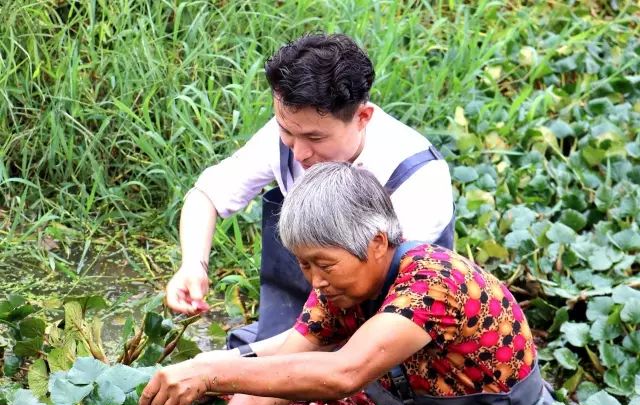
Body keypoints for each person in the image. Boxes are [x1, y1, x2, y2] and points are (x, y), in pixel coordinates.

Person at [140, 163, 565, 405]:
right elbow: (280, 373)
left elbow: (343, 374)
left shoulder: (433, 284)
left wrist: (210, 370)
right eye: (304, 266)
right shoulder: (341, 288)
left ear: (377, 243)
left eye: (324, 264)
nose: (315, 281)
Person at [165, 33, 454, 350]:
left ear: (362, 117)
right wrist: (193, 265)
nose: (299, 153)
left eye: (315, 138)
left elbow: (366, 330)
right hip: (302, 320)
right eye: (287, 131)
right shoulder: (293, 131)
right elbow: (206, 195)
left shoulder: (417, 179)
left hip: (387, 330)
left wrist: (247, 365)